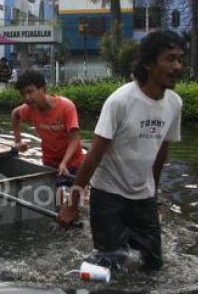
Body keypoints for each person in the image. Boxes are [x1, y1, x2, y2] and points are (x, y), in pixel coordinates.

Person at [57, 30, 185, 271]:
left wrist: (154, 197)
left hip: (143, 198)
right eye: (170, 59)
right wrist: (72, 203)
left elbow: (161, 153)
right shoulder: (121, 101)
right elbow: (93, 155)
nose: (177, 66)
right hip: (108, 196)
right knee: (111, 265)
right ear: (148, 63)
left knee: (153, 265)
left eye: (180, 59)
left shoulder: (174, 103)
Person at [11, 70, 84, 195]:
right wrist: (18, 142)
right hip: (49, 163)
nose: (27, 98)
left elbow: (74, 139)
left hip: (73, 163)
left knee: (77, 202)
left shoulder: (66, 106)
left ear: (42, 89)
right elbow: (15, 114)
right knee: (55, 201)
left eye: (30, 92)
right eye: (23, 94)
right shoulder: (29, 109)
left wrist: (64, 163)